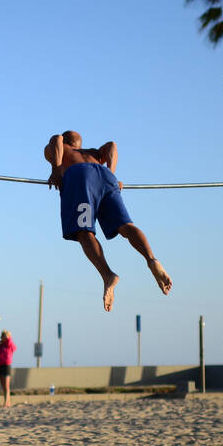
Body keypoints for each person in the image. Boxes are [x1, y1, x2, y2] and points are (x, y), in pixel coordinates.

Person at [43, 130, 173, 311]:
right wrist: (111, 174)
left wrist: (56, 170)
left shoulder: (62, 147)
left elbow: (55, 139)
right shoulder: (93, 153)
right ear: (79, 144)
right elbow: (112, 145)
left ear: (67, 141)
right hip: (106, 177)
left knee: (83, 232)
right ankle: (151, 260)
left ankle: (107, 275)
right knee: (126, 226)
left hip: (80, 177)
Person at [0, 329, 16, 407]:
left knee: (6, 385)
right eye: (2, 336)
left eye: (3, 336)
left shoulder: (10, 345)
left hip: (6, 365)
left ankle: (6, 402)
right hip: (0, 365)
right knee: (3, 386)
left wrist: (7, 336)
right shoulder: (1, 345)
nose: (2, 338)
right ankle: (7, 401)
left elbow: (10, 342)